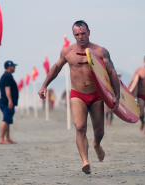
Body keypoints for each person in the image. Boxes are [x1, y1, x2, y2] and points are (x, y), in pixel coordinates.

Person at [38, 20, 120, 174]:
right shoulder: (67, 51)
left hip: (97, 95)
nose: (81, 37)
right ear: (73, 35)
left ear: (89, 32)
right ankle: (85, 161)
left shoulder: (101, 51)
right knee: (80, 127)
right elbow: (56, 68)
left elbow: (112, 72)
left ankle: (96, 143)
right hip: (78, 94)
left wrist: (116, 95)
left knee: (99, 131)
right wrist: (44, 86)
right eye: (77, 34)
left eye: (83, 33)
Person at [0, 60, 19, 144]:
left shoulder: (7, 76)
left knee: (8, 120)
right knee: (6, 120)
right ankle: (1, 139)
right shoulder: (7, 77)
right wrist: (10, 100)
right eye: (13, 66)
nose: (14, 67)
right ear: (9, 67)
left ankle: (7, 138)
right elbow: (7, 89)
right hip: (6, 102)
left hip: (6, 102)